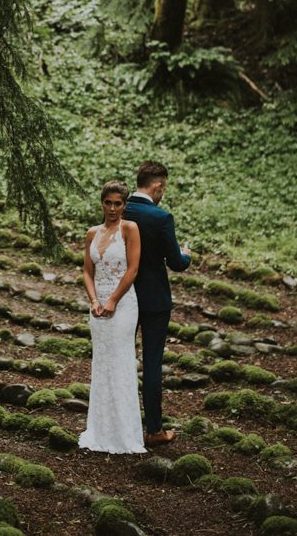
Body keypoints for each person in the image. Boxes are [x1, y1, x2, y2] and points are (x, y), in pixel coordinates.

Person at [124, 161, 191, 447]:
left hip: (123, 295)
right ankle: (154, 430)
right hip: (154, 300)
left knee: (122, 360)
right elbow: (176, 263)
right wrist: (186, 254)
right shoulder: (161, 218)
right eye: (163, 188)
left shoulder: (119, 209)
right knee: (151, 363)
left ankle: (121, 425)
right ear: (157, 186)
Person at [78, 181, 146, 454]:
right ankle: (101, 431)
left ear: (125, 205)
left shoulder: (130, 229)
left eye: (118, 203)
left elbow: (133, 269)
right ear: (102, 203)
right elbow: (86, 270)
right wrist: (94, 300)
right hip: (98, 307)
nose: (113, 208)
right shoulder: (92, 233)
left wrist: (113, 300)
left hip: (123, 303)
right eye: (109, 203)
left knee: (120, 361)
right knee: (102, 363)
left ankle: (124, 434)